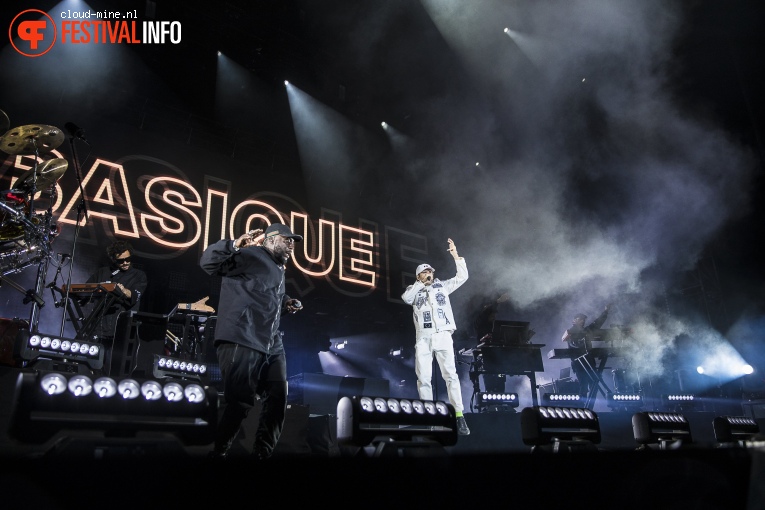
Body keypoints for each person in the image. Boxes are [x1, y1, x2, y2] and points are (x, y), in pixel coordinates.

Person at [200, 223, 304, 460]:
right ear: (269, 239)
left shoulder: (277, 269)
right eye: (287, 240)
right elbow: (208, 263)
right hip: (242, 336)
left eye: (293, 242)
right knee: (239, 402)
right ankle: (218, 451)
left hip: (271, 342)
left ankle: (262, 453)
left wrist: (286, 302)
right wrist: (234, 245)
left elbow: (264, 297)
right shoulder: (250, 255)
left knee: (278, 397)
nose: (291, 245)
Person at [401, 238, 470, 435]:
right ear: (418, 275)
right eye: (425, 272)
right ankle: (429, 415)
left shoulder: (442, 286)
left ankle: (459, 415)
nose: (429, 274)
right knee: (424, 377)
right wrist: (419, 283)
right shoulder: (413, 291)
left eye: (430, 271)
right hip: (423, 337)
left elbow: (462, 277)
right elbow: (406, 299)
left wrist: (456, 256)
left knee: (450, 375)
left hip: (443, 335)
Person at [85, 240, 148, 343]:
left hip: (122, 328)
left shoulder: (139, 275)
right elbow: (87, 289)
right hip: (98, 325)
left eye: (127, 259)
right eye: (121, 260)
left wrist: (122, 290)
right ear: (114, 259)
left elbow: (134, 295)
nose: (125, 263)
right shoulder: (103, 272)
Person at [561, 304, 611, 400]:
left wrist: (605, 312)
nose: (582, 321)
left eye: (583, 320)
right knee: (583, 386)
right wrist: (582, 341)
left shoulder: (587, 330)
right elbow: (573, 343)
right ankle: (582, 406)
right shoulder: (571, 331)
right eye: (580, 319)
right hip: (579, 363)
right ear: (574, 321)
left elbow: (597, 323)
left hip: (589, 361)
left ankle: (589, 406)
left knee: (594, 383)